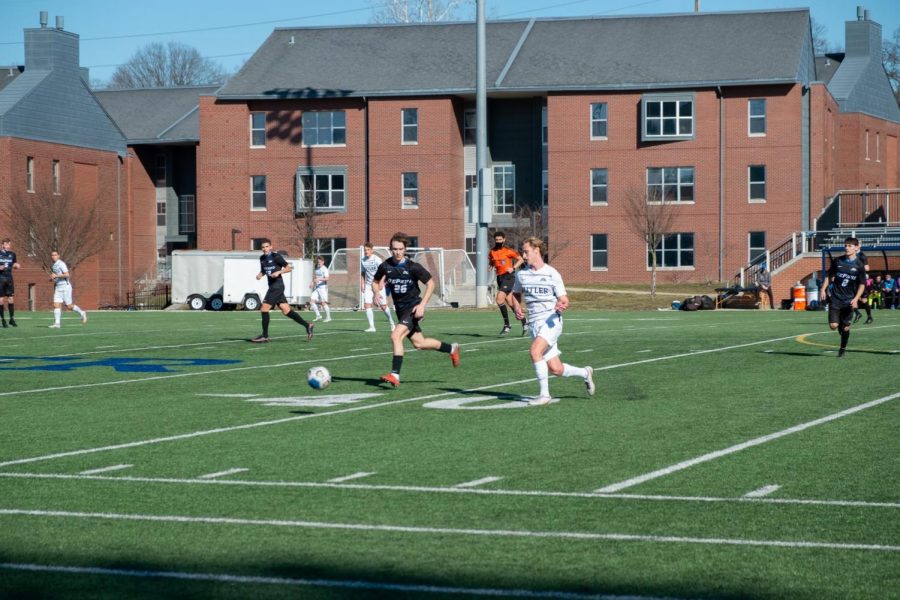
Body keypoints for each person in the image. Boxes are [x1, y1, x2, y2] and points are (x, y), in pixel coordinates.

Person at [508, 237, 595, 406]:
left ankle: (544, 395)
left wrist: (562, 305)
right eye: (522, 252)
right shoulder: (522, 275)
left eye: (526, 251)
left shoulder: (552, 273)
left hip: (551, 321)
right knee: (556, 369)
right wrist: (517, 308)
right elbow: (516, 294)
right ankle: (585, 373)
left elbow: (564, 299)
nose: (523, 256)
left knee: (534, 352)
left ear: (536, 250)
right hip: (534, 324)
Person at [371, 232, 459, 387]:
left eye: (400, 249)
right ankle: (451, 348)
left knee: (395, 336)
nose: (397, 252)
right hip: (400, 310)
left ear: (405, 249)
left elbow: (431, 284)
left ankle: (395, 375)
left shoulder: (413, 267)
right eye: (394, 249)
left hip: (412, 308)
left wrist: (422, 305)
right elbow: (375, 281)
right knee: (420, 343)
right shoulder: (385, 265)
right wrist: (377, 293)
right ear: (390, 249)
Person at [251, 240, 313, 343]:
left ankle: (264, 336)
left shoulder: (276, 257)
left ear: (271, 247)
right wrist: (259, 275)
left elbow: (289, 268)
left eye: (267, 246)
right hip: (273, 287)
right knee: (286, 311)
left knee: (264, 308)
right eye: (263, 247)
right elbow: (263, 271)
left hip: (277, 286)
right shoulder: (262, 258)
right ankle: (308, 325)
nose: (265, 249)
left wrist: (279, 272)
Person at [819, 237, 866, 358]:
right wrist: (823, 289)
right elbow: (829, 276)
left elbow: (862, 284)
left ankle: (842, 349)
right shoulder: (838, 261)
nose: (846, 248)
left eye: (850, 246)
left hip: (849, 300)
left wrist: (856, 299)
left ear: (856, 247)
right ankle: (839, 324)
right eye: (845, 245)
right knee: (833, 326)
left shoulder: (859, 265)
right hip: (835, 298)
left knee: (845, 328)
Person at [488, 231, 526, 335]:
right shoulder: (492, 251)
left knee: (499, 299)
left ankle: (507, 325)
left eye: (500, 240)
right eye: (497, 240)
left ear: (504, 240)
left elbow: (521, 259)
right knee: (510, 303)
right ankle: (525, 322)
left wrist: (513, 268)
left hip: (508, 277)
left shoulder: (508, 251)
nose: (498, 241)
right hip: (499, 278)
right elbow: (491, 260)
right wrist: (490, 265)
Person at [360, 242, 395, 332]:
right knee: (367, 304)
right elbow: (363, 273)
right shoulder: (363, 260)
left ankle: (391, 322)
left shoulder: (377, 259)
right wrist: (362, 283)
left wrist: (382, 281)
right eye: (365, 250)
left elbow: (384, 271)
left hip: (378, 284)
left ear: (372, 250)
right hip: (368, 285)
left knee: (383, 306)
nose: (366, 251)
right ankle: (372, 327)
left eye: (368, 250)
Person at [48, 250, 87, 328]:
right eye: (52, 255)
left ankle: (82, 313)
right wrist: (53, 279)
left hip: (65, 287)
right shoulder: (53, 265)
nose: (54, 256)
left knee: (69, 306)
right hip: (58, 287)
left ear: (58, 256)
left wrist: (57, 276)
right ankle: (57, 324)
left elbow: (67, 274)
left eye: (55, 255)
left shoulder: (61, 264)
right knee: (56, 305)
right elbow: (56, 276)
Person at [0, 239, 20, 327]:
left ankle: (12, 318)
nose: (8, 246)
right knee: (1, 300)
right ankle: (3, 320)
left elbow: (14, 264)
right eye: (6, 245)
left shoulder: (12, 254)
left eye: (9, 245)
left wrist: (16, 265)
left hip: (9, 278)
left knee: (11, 298)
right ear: (2, 245)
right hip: (0, 279)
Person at [309, 255, 332, 322]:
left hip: (323, 288)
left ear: (323, 262)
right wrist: (312, 283)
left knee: (323, 303)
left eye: (320, 262)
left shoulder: (325, 269)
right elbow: (315, 277)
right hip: (317, 287)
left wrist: (319, 279)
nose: (319, 263)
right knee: (311, 301)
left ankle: (328, 317)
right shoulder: (317, 268)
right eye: (318, 262)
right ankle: (318, 316)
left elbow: (327, 278)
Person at [852, 253, 873, 324]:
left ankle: (869, 317)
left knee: (863, 300)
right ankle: (857, 313)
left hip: (860, 281)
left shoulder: (862, 256)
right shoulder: (849, 258)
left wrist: (858, 268)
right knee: (851, 298)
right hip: (853, 281)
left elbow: (867, 268)